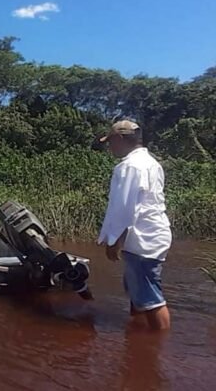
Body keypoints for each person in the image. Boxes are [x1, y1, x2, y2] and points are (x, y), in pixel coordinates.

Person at [98, 120, 172, 331]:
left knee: (150, 299)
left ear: (121, 139)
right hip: (150, 235)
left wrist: (114, 242)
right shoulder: (150, 162)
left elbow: (126, 209)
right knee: (137, 291)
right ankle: (138, 337)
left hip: (142, 239)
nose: (110, 147)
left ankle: (157, 347)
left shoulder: (129, 166)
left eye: (111, 141)